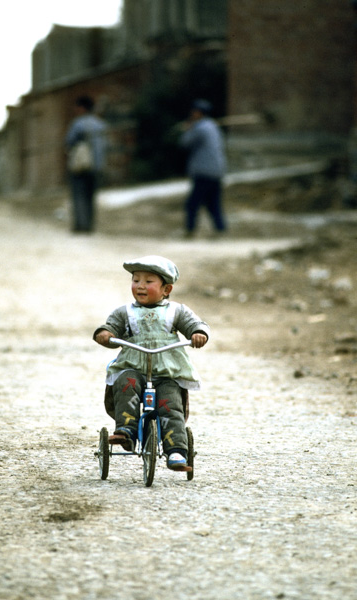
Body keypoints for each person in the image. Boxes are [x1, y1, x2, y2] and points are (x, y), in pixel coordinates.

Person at [93, 255, 210, 471]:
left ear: (167, 289)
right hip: (134, 367)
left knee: (170, 406)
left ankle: (176, 451)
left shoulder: (176, 311)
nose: (140, 286)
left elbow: (195, 324)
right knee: (126, 383)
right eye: (136, 280)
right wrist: (105, 334)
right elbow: (111, 327)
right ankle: (125, 431)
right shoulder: (125, 312)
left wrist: (198, 333)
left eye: (148, 281)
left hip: (167, 371)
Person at [179, 99, 227, 237]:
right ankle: (220, 229)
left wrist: (188, 129)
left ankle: (190, 230)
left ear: (199, 113)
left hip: (204, 171)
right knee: (213, 203)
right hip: (217, 170)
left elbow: (184, 143)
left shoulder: (199, 128)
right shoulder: (213, 126)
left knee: (192, 203)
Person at [65, 95, 107, 233]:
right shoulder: (100, 124)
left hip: (81, 165)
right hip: (96, 166)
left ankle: (81, 225)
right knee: (90, 197)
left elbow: (70, 142)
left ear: (82, 108)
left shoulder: (78, 124)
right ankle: (89, 225)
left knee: (79, 196)